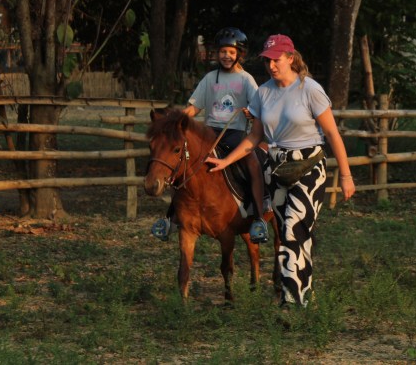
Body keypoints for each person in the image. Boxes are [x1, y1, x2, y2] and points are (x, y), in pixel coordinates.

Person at [205, 33, 355, 310]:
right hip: (276, 168)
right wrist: (226, 162)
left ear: (290, 58)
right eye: (267, 61)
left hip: (308, 166)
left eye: (276, 60)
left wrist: (346, 175)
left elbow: (333, 134)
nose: (271, 66)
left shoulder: (309, 89)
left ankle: (290, 302)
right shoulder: (264, 92)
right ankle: (304, 297)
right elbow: (254, 137)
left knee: (293, 231)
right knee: (290, 233)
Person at [151, 27, 270, 243]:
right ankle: (169, 218)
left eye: (231, 52)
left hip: (235, 133)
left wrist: (250, 113)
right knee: (182, 165)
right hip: (209, 132)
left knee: (253, 164)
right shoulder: (209, 78)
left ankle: (259, 218)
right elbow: (194, 107)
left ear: (240, 54)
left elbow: (257, 108)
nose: (226, 56)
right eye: (223, 51)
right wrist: (177, 119)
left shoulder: (246, 80)